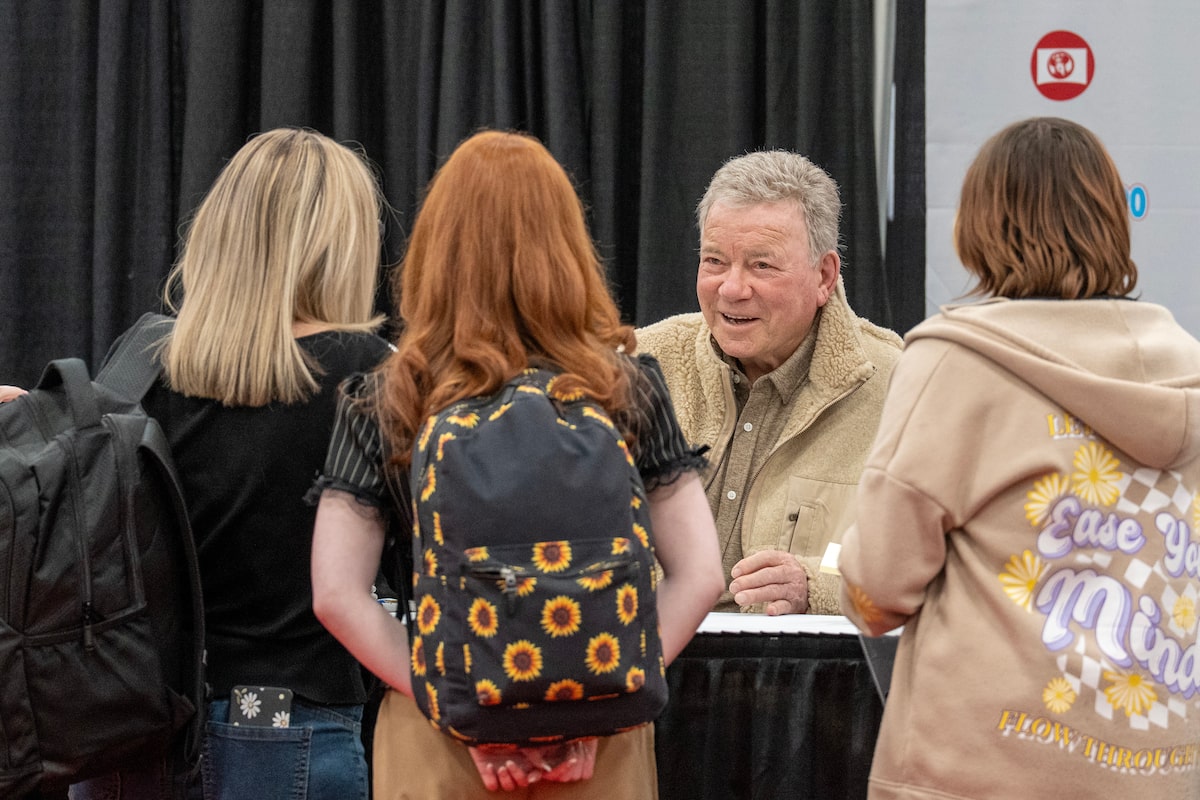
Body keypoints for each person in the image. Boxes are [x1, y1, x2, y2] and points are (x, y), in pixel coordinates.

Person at [308, 129, 724, 798]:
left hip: (438, 740)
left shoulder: (388, 398)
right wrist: (596, 704)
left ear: (435, 251)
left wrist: (462, 708)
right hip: (600, 747)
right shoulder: (627, 388)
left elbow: (336, 595)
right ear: (568, 246)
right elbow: (700, 574)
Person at [838, 117, 1200, 798]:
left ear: (976, 225)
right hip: (1159, 773)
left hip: (980, 770)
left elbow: (877, 590)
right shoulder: (1186, 369)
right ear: (1115, 220)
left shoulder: (957, 362)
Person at [71, 127, 392, 800]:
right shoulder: (372, 377)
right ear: (344, 240)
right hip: (291, 724)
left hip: (128, 729)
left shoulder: (144, 360)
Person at [636, 150, 903, 616]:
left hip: (808, 681)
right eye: (715, 261)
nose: (732, 288)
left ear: (824, 276)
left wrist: (816, 585)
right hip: (650, 672)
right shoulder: (639, 368)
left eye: (762, 266)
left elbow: (923, 566)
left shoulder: (899, 388)